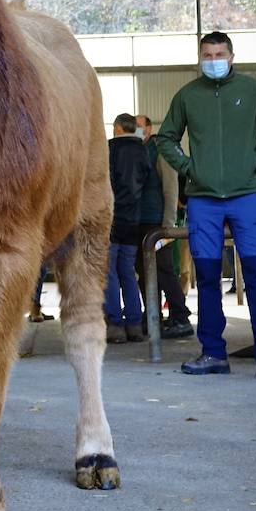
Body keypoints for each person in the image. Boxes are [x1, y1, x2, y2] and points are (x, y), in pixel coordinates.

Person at [155, 32, 256, 381]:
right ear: (200, 58)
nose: (213, 59)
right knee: (208, 275)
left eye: (219, 54)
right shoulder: (187, 96)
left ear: (231, 55)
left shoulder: (252, 91)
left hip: (246, 195)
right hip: (203, 200)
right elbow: (166, 137)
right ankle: (213, 352)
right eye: (207, 54)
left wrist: (253, 163)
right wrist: (189, 169)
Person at [134, 114, 192, 338]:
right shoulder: (137, 149)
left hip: (158, 222)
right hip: (140, 221)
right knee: (144, 270)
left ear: (149, 128)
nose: (137, 130)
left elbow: (170, 188)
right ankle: (152, 314)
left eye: (140, 126)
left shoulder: (159, 150)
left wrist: (168, 224)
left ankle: (180, 316)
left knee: (165, 269)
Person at [106, 113, 151, 343]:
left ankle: (115, 325)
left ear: (117, 128)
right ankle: (134, 324)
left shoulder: (110, 150)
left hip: (112, 219)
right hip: (134, 219)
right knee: (127, 271)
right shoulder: (143, 151)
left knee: (109, 271)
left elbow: (106, 181)